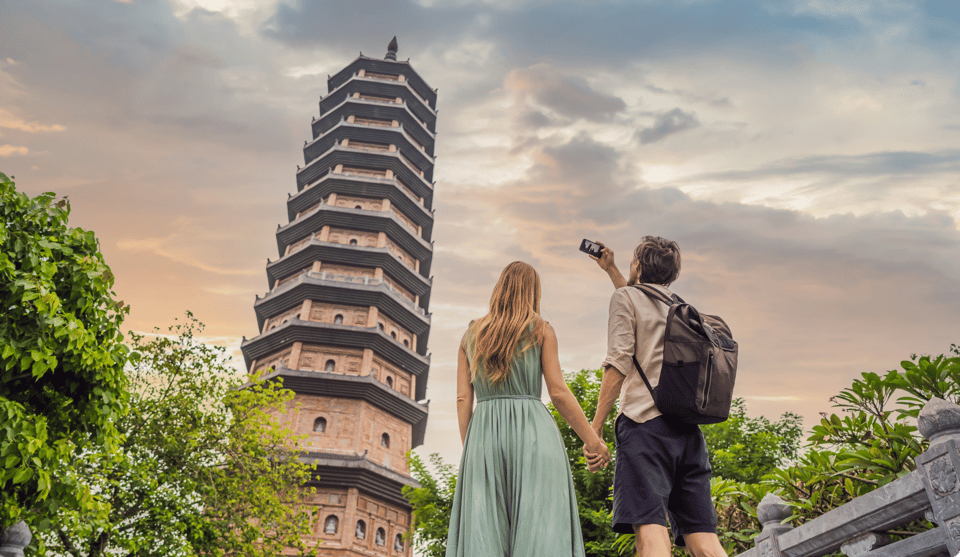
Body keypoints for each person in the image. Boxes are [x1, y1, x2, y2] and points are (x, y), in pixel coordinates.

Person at [445, 261, 612, 557]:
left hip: (483, 437)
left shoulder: (470, 335)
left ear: (499, 290)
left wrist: (472, 449)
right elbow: (558, 392)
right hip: (535, 435)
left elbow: (462, 399)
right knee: (541, 529)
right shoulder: (541, 331)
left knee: (484, 534)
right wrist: (592, 441)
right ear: (532, 292)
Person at [584, 237, 726, 557]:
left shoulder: (626, 298)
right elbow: (639, 302)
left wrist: (595, 428)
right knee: (704, 541)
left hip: (645, 428)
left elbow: (619, 362)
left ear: (637, 265)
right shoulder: (682, 308)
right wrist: (612, 271)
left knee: (651, 532)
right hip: (689, 433)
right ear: (672, 274)